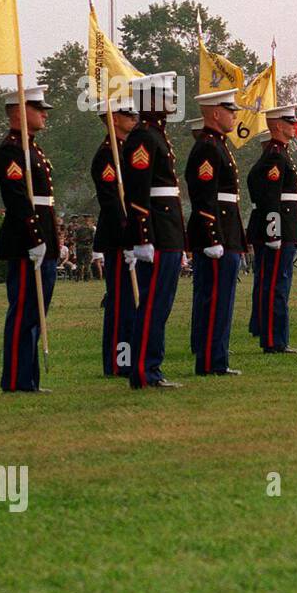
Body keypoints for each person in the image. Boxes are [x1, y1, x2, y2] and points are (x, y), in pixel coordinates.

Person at [0, 85, 58, 393]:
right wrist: (34, 238)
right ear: (20, 112)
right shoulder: (11, 150)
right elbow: (17, 198)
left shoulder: (31, 148)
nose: (45, 113)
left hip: (41, 237)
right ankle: (18, 380)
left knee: (36, 311)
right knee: (23, 311)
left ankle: (28, 379)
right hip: (25, 240)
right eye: (38, 108)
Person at [123, 71, 184, 389]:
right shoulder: (143, 137)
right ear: (149, 100)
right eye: (165, 94)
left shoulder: (156, 135)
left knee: (161, 304)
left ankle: (152, 367)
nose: (172, 99)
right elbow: (138, 191)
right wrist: (143, 237)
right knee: (153, 304)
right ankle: (145, 370)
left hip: (169, 229)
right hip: (157, 232)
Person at [187, 89, 248, 376]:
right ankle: (212, 360)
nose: (234, 114)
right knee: (215, 300)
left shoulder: (218, 145)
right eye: (229, 109)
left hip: (227, 231)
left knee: (221, 300)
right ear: (214, 113)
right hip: (217, 233)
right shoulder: (208, 147)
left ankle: (217, 356)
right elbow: (204, 196)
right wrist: (213, 237)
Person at [247, 104, 297, 353]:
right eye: (290, 122)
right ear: (277, 126)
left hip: (284, 226)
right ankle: (274, 339)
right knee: (276, 285)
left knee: (278, 284)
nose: (294, 126)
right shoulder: (275, 155)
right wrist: (273, 231)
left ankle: (276, 337)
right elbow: (271, 197)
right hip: (279, 229)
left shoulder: (280, 153)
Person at [91, 96, 138, 378]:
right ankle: (118, 362)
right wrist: (128, 234)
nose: (134, 118)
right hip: (118, 238)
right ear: (113, 119)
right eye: (127, 114)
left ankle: (128, 357)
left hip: (130, 235)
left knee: (131, 303)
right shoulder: (108, 155)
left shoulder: (127, 150)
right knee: (120, 303)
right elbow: (111, 200)